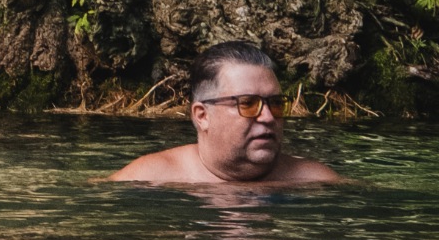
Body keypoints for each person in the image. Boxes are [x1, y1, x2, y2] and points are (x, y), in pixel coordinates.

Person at [111, 43, 348, 186]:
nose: (267, 117)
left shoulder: (315, 181)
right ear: (202, 116)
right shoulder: (149, 177)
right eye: (248, 103)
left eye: (276, 103)